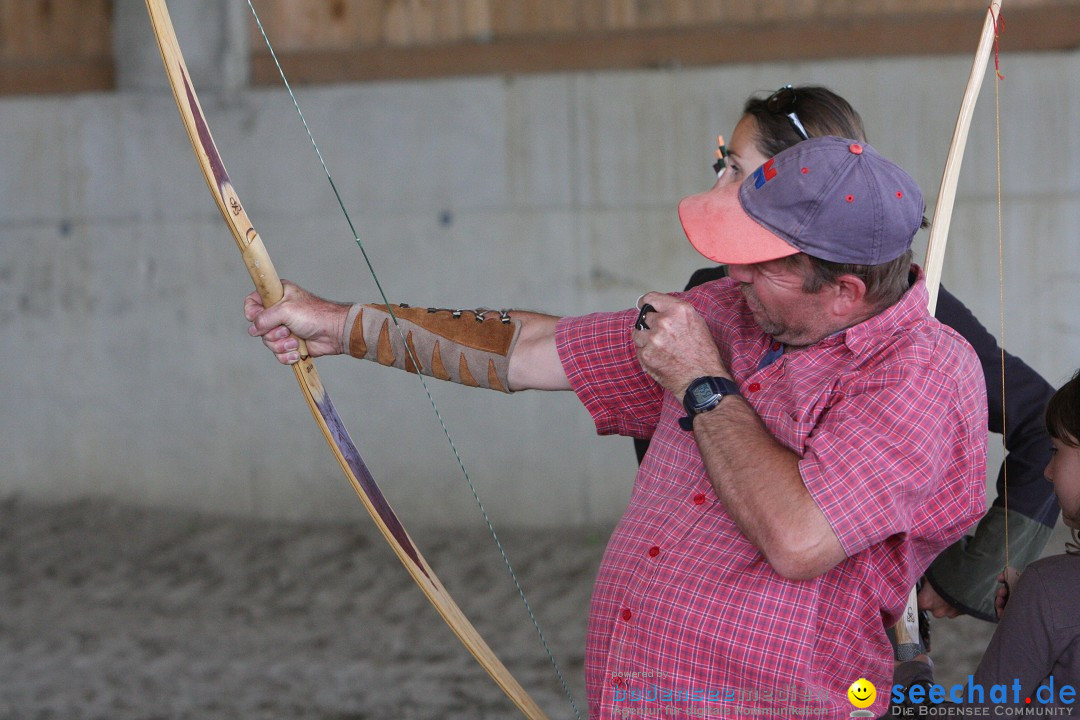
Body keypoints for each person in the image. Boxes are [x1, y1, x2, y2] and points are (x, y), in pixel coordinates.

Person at [245, 136, 988, 716]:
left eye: (760, 266)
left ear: (844, 290)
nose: (732, 276)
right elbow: (528, 350)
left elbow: (798, 539)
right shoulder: (731, 313)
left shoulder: (921, 373)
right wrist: (344, 327)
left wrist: (702, 383)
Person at [632, 86, 1059, 626]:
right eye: (720, 164)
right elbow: (664, 440)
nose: (719, 185)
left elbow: (1040, 419)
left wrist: (973, 575)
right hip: (712, 616)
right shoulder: (710, 292)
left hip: (853, 626)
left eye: (737, 170)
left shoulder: (905, 310)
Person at [893, 370, 1080, 712]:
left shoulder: (1049, 588)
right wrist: (1031, 623)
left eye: (1055, 450)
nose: (1048, 470)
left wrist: (910, 673)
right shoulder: (1049, 593)